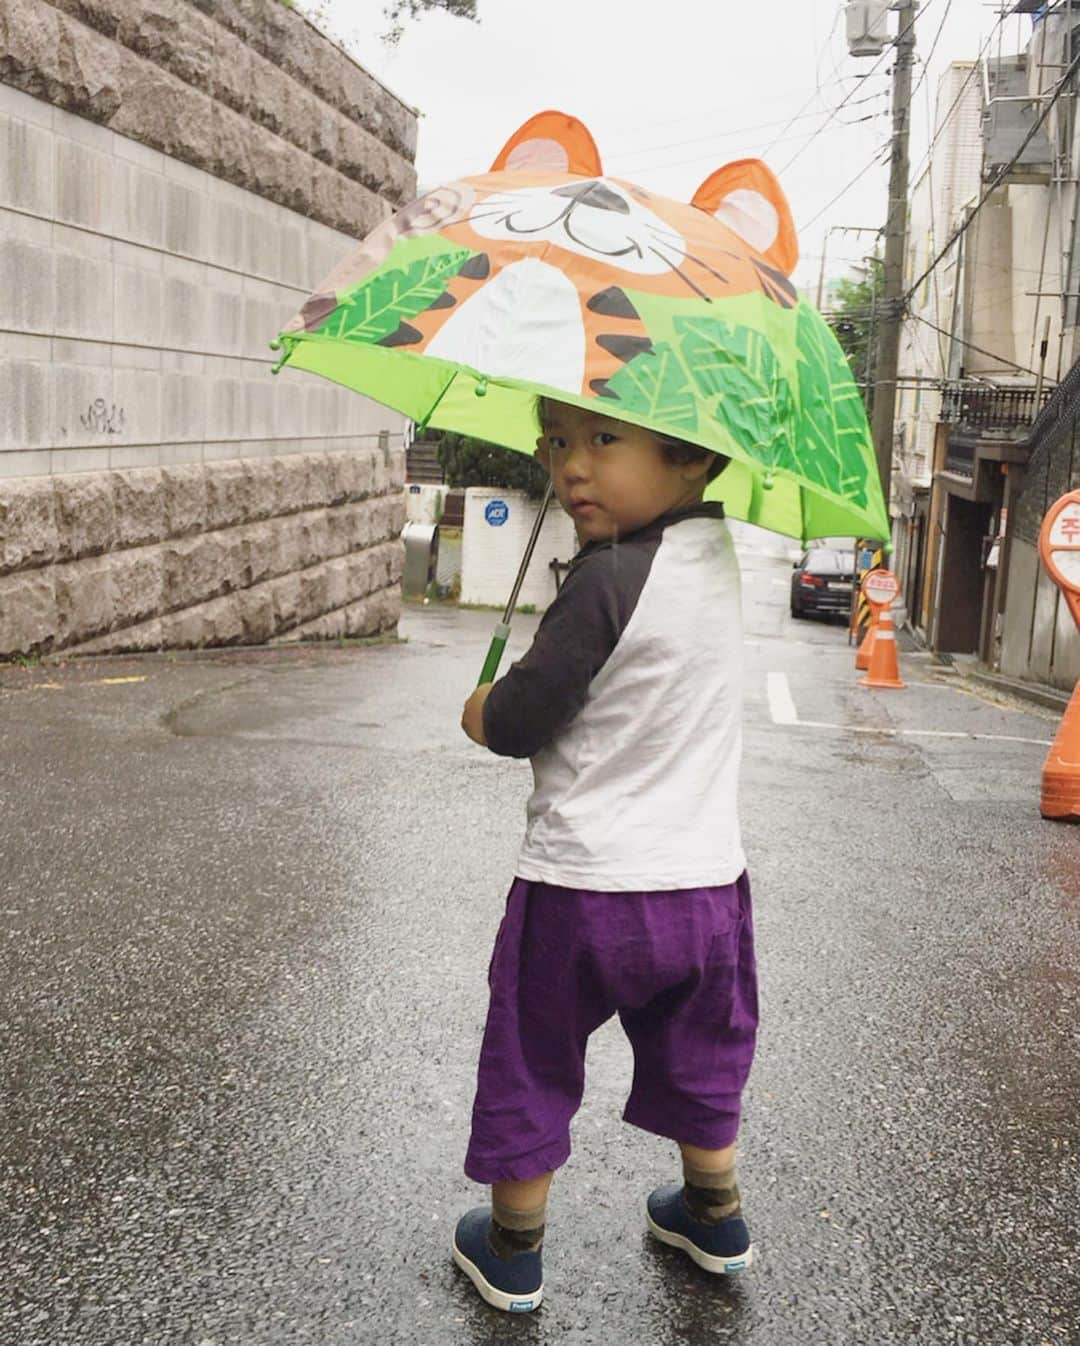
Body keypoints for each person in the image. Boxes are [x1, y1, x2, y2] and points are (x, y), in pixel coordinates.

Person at [451, 397, 758, 1314]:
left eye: (602, 439)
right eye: (556, 440)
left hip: (583, 887)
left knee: (533, 1052)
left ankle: (511, 1247)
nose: (568, 465)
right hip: (705, 888)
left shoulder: (608, 577)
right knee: (703, 1048)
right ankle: (715, 1214)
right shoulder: (715, 558)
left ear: (693, 458)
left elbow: (521, 719)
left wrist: (482, 710)